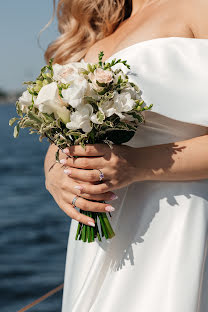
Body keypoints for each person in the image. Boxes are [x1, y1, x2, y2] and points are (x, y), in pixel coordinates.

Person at [44, 0, 208, 311]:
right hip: (103, 235)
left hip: (176, 220)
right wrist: (52, 171)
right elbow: (65, 130)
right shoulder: (102, 28)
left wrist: (134, 165)